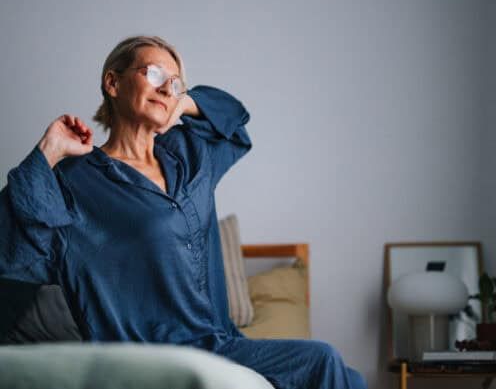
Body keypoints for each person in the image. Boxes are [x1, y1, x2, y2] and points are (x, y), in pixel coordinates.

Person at [0, 35, 366, 389]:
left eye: (175, 83)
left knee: (341, 374)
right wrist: (48, 151)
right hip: (147, 355)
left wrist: (185, 103)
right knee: (325, 361)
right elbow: (11, 249)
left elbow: (235, 123)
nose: (165, 89)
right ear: (113, 82)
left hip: (220, 343)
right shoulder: (74, 181)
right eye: (154, 75)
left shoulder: (188, 152)